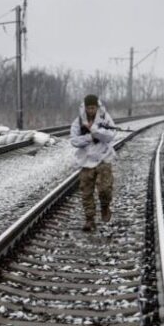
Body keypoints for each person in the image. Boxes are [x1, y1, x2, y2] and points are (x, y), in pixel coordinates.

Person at [69, 94, 118, 233]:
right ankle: (89, 219)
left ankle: (105, 206)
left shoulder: (104, 117)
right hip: (86, 160)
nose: (91, 110)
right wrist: (89, 137)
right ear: (85, 107)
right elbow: (74, 140)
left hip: (103, 158)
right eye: (89, 108)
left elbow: (111, 135)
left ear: (97, 107)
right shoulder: (79, 121)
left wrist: (96, 131)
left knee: (105, 188)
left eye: (93, 108)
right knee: (86, 192)